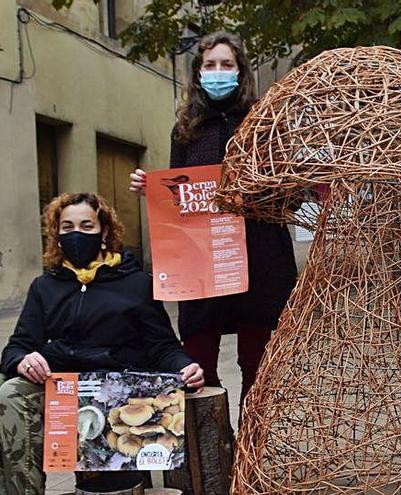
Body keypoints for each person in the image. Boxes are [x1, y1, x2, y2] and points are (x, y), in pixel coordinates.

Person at [129, 32, 297, 405]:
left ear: (240, 71)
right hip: (203, 265)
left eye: (226, 65)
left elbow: (291, 199)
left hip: (260, 261)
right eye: (210, 65)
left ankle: (249, 455)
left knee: (258, 370)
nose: (218, 72)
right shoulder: (185, 129)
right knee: (198, 369)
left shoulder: (265, 121)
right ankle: (215, 452)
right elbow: (177, 199)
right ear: (197, 72)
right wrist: (152, 189)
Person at [0, 193, 204, 495]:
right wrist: (22, 360)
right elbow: (17, 346)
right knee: (8, 392)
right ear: (56, 233)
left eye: (86, 225)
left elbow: (162, 345)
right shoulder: (45, 287)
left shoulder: (137, 284)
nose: (76, 234)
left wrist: (185, 366)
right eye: (67, 227)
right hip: (65, 385)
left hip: (117, 387)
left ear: (104, 231)